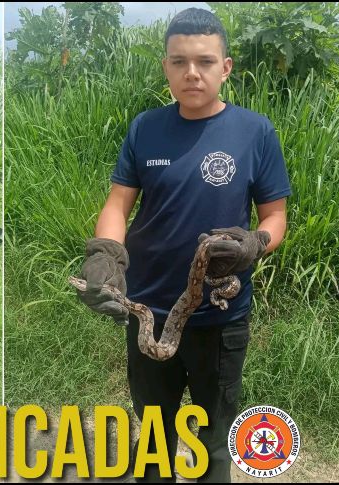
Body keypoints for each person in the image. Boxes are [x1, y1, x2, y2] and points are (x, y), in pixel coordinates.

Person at [76, 8, 291, 483]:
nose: (192, 72)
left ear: (226, 67)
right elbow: (118, 205)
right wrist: (104, 254)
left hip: (220, 318)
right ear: (165, 67)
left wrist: (256, 242)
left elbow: (275, 217)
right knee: (154, 440)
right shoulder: (145, 127)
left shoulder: (256, 132)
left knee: (214, 443)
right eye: (179, 61)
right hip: (148, 308)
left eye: (205, 61)